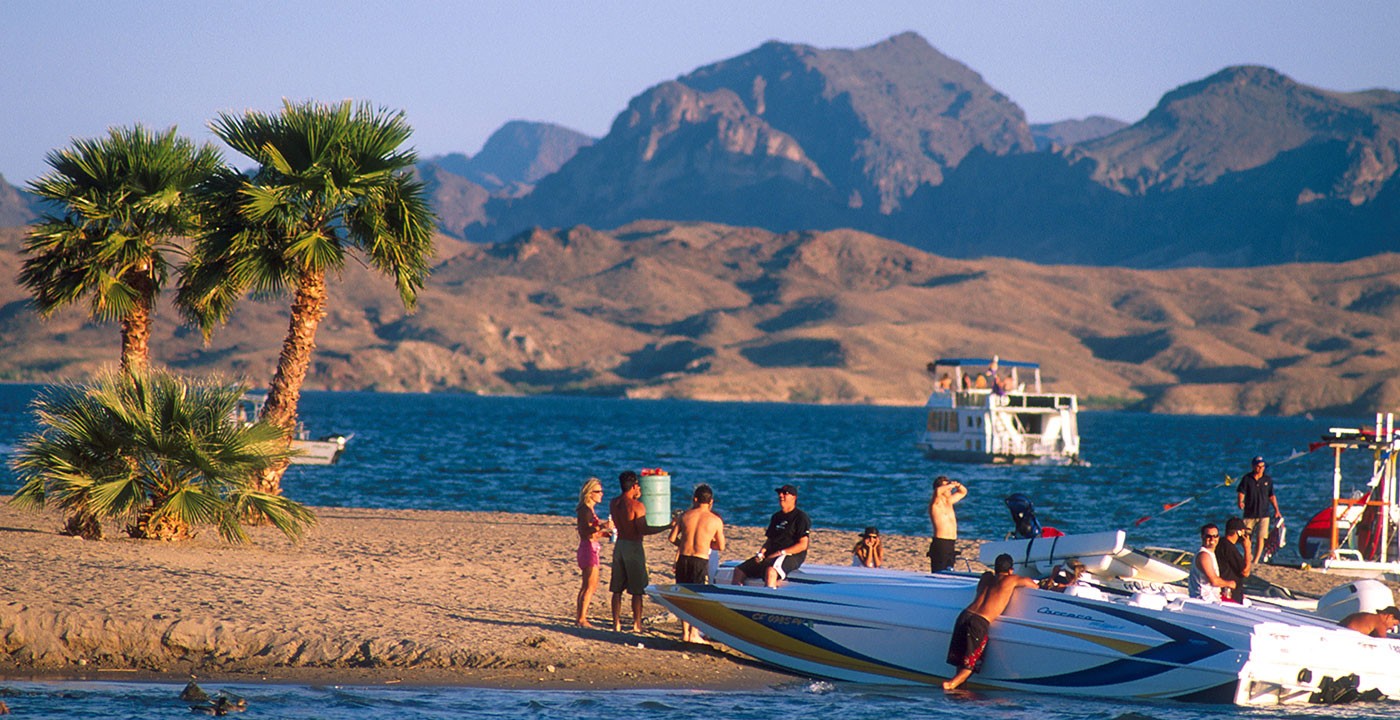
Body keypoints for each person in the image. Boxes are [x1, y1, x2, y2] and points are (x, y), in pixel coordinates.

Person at [943, 553, 1037, 691]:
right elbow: (1033, 585)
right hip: (979, 621)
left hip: (964, 616)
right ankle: (950, 685)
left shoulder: (986, 577)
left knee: (962, 661)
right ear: (1011, 570)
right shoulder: (1011, 580)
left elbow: (987, 577)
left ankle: (958, 691)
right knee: (971, 664)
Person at [609, 470, 669, 632]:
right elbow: (643, 529)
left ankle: (616, 623)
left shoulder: (614, 502)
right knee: (637, 589)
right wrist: (666, 526)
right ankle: (637, 624)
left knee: (617, 589)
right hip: (633, 547)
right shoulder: (637, 506)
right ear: (634, 486)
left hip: (619, 545)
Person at [669, 483, 726, 643]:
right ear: (711, 501)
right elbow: (720, 546)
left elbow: (672, 538)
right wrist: (707, 544)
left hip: (684, 558)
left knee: (683, 595)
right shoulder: (715, 520)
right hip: (700, 560)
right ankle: (694, 633)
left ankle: (685, 633)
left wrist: (684, 544)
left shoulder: (686, 516)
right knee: (696, 597)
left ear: (695, 499)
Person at [732, 484, 811, 588]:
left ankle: (767, 598)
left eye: (785, 493)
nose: (781, 496)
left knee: (770, 571)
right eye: (779, 493)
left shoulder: (801, 517)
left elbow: (803, 545)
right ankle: (738, 597)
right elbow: (770, 540)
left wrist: (780, 552)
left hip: (790, 555)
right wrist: (761, 553)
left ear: (794, 497)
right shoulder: (776, 517)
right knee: (739, 570)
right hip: (772, 553)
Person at [574, 477, 613, 627]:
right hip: (588, 549)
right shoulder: (585, 510)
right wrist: (602, 526)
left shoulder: (588, 510)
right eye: (598, 492)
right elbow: (584, 530)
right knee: (589, 585)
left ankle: (581, 617)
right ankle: (581, 618)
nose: (601, 494)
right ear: (590, 493)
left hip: (590, 547)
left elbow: (589, 532)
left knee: (590, 585)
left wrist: (603, 534)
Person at [1237, 456, 1282, 565]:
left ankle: (1256, 560)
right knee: (1246, 537)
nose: (1260, 468)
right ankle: (1248, 555)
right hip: (1249, 513)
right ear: (1253, 466)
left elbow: (1272, 496)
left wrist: (1277, 510)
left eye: (1262, 466)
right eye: (1258, 466)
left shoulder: (1267, 480)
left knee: (1261, 537)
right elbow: (1241, 491)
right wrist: (1240, 501)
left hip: (1264, 513)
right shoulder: (1247, 479)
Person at [927, 476, 967, 572]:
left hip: (951, 542)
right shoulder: (935, 504)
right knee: (940, 571)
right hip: (941, 542)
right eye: (947, 488)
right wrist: (949, 485)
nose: (950, 490)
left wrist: (958, 485)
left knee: (949, 570)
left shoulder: (949, 502)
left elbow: (963, 492)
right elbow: (937, 491)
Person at [1188, 523, 1235, 603]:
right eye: (1208, 536)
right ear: (1202, 537)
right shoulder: (1204, 556)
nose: (1212, 539)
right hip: (1204, 601)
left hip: (1213, 599)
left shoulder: (1210, 554)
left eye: (1215, 536)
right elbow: (1214, 581)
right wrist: (1229, 583)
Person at [1215, 517, 1253, 603]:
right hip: (1230, 592)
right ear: (1239, 532)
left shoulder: (1220, 543)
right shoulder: (1229, 547)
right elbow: (1245, 572)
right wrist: (1247, 549)